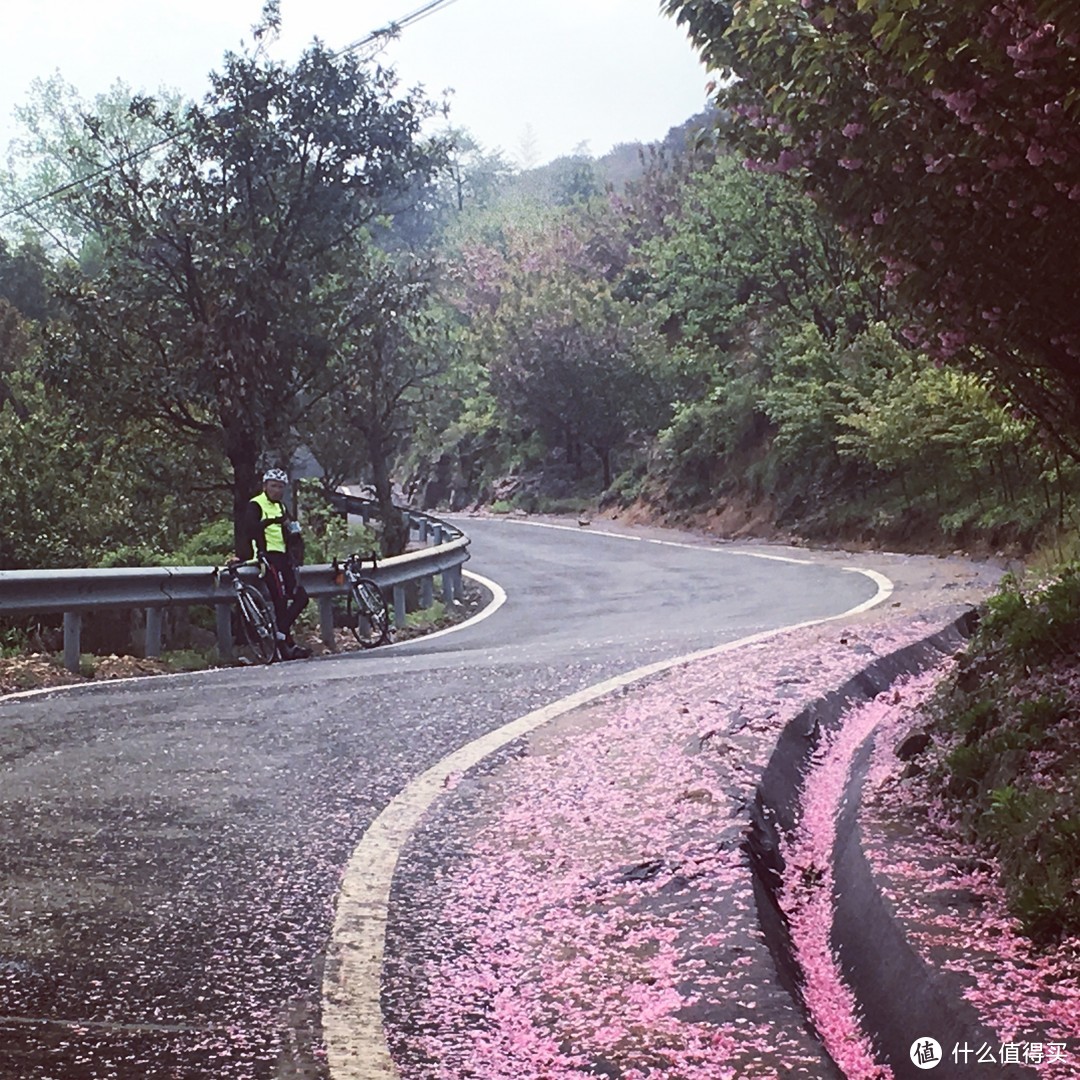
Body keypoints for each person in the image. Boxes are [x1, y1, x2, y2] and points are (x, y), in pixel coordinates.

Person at [238, 467, 311, 660]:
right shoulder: (256, 504)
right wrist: (272, 522)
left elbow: (291, 531)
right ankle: (286, 645)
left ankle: (280, 634)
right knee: (279, 601)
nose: (277, 490)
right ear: (265, 486)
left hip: (284, 557)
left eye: (280, 487)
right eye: (273, 486)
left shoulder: (281, 507)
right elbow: (249, 529)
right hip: (265, 557)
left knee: (300, 597)